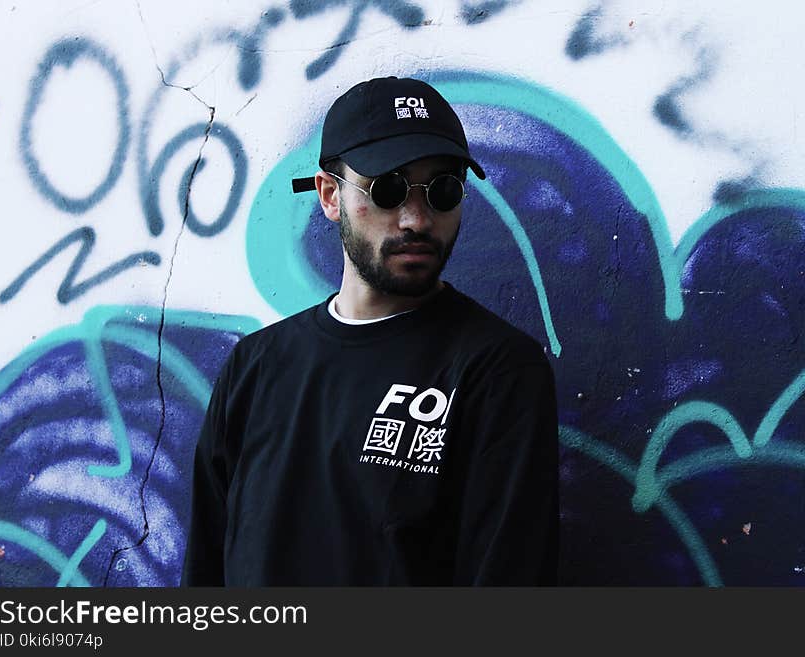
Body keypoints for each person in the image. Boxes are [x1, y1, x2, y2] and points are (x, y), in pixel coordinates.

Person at [180, 76, 559, 586]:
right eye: (389, 189)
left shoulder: (497, 371)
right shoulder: (255, 367)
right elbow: (205, 570)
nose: (416, 220)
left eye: (443, 190)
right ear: (330, 195)